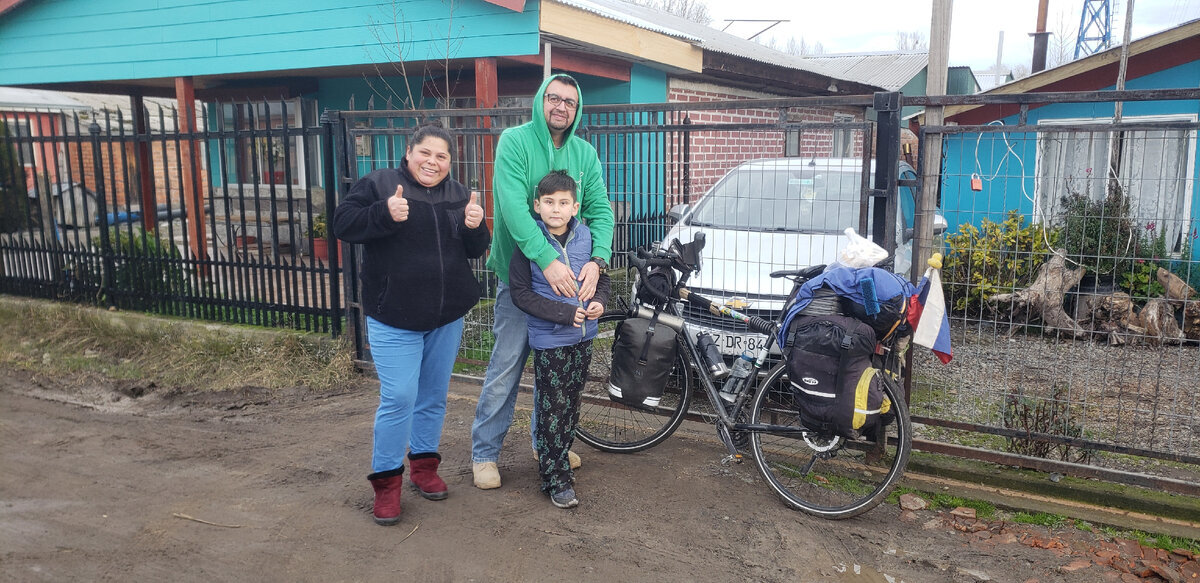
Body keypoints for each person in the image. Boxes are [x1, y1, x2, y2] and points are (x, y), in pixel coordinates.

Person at [332, 123, 490, 526]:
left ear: (450, 163)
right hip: (394, 317)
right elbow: (343, 224)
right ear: (409, 153)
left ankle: (423, 467)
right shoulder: (379, 184)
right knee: (400, 396)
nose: (432, 163)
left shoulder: (458, 195)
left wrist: (477, 226)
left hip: (445, 317)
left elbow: (474, 250)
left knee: (433, 396)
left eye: (441, 157)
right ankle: (386, 483)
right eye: (425, 153)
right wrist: (383, 213)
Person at [470, 73, 615, 490]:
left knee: (555, 373)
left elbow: (601, 212)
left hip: (570, 285)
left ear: (577, 108)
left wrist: (598, 261)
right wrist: (547, 259)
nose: (561, 107)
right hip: (524, 282)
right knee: (507, 367)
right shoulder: (514, 143)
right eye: (554, 98)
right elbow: (515, 211)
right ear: (540, 100)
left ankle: (546, 444)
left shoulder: (585, 154)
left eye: (569, 101)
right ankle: (485, 454)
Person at [509, 170, 610, 508]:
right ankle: (554, 479)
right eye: (549, 202)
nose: (556, 209)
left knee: (571, 403)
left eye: (563, 202)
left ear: (575, 206)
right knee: (552, 408)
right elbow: (522, 295)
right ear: (537, 205)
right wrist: (564, 314)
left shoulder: (586, 237)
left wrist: (599, 303)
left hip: (584, 338)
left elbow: (601, 281)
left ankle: (560, 457)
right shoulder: (529, 244)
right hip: (551, 341)